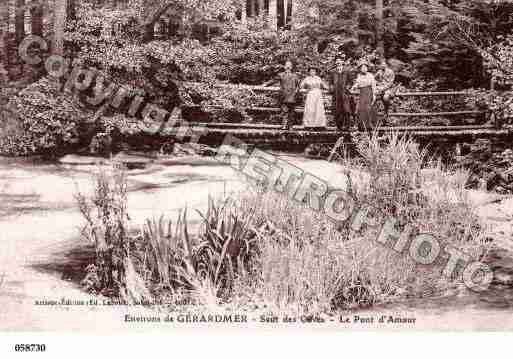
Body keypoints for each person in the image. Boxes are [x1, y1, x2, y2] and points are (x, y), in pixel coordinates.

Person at [263, 60, 300, 130]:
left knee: (292, 112)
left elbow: (298, 86)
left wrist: (296, 92)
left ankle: (290, 126)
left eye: (289, 66)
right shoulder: (281, 75)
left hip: (293, 96)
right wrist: (265, 84)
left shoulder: (295, 76)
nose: (288, 67)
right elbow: (274, 80)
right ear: (284, 67)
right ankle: (284, 125)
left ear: (291, 67)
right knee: (285, 111)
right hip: (284, 96)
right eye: (287, 65)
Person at [350, 63, 378, 130]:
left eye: (365, 67)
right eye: (362, 68)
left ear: (367, 68)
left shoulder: (371, 75)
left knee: (369, 108)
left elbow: (373, 85)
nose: (364, 69)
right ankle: (362, 126)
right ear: (360, 69)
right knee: (361, 109)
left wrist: (374, 95)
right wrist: (353, 87)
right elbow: (357, 84)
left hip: (369, 93)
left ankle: (370, 126)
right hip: (362, 93)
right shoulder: (359, 76)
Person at [332, 56, 355, 131]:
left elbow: (351, 82)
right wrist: (331, 88)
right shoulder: (333, 72)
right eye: (337, 61)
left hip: (345, 93)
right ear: (335, 63)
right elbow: (330, 83)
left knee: (346, 109)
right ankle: (339, 125)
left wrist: (347, 88)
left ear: (342, 62)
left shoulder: (347, 71)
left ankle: (347, 126)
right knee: (337, 109)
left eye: (340, 61)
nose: (338, 62)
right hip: (336, 93)